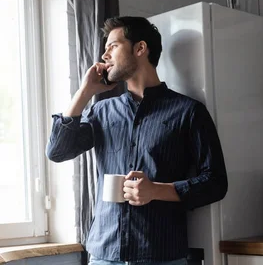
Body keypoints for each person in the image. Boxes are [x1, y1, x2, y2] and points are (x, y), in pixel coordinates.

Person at [46, 16, 227, 265]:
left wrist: (156, 190)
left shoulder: (188, 111)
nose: (104, 54)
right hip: (104, 255)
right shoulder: (101, 111)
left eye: (113, 45)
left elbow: (216, 182)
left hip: (161, 255)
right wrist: (84, 92)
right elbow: (57, 152)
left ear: (140, 48)